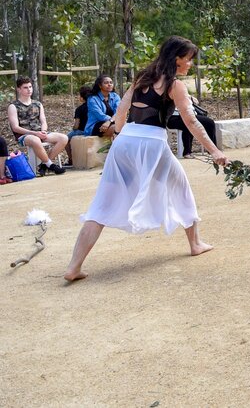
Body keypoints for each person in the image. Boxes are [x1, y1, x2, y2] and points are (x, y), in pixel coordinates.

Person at [64, 36, 228, 282]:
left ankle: (73, 267)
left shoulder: (143, 77)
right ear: (177, 59)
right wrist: (214, 150)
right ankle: (195, 244)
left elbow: (121, 112)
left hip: (126, 140)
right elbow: (191, 122)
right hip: (152, 144)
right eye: (189, 59)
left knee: (102, 205)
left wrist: (118, 137)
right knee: (180, 187)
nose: (191, 64)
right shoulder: (175, 85)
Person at [7, 77, 67, 175]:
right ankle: (51, 165)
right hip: (24, 136)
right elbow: (15, 128)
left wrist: (43, 131)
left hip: (39, 132)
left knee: (63, 138)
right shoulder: (13, 106)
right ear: (19, 89)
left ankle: (44, 165)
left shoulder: (38, 104)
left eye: (30, 87)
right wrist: (35, 133)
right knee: (35, 139)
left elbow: (43, 121)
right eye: (25, 87)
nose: (29, 89)